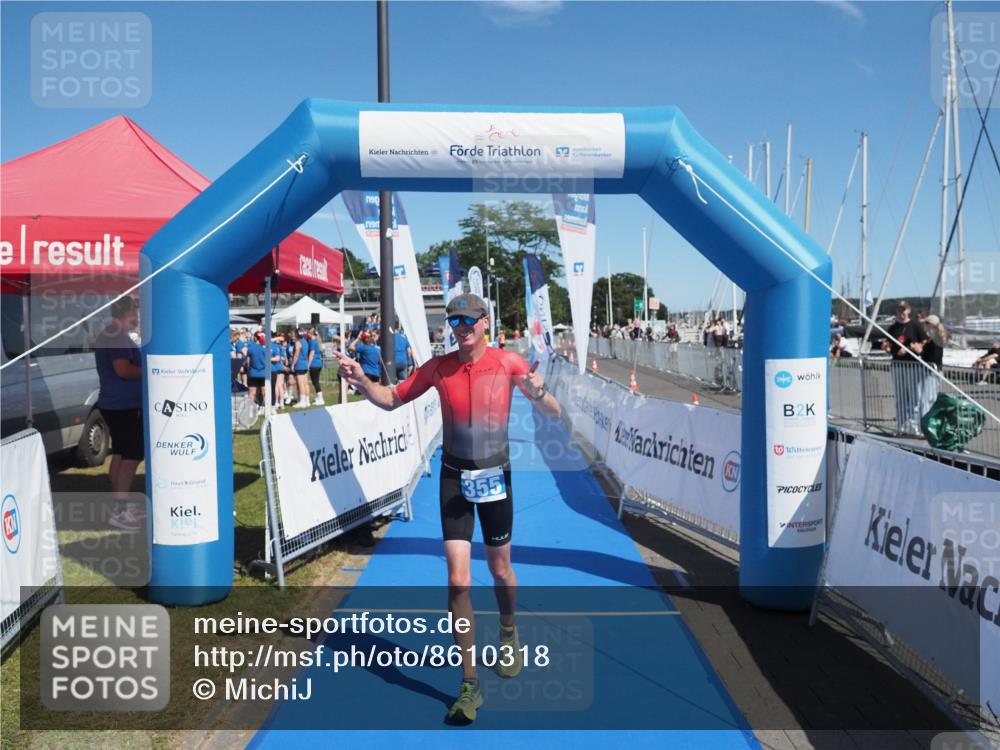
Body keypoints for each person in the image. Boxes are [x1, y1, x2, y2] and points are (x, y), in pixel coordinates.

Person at [336, 293, 560, 725]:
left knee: (499, 570)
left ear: (484, 323)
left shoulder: (509, 362)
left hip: (495, 476)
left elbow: (553, 411)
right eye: (454, 321)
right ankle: (469, 684)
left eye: (468, 321)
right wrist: (362, 380)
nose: (459, 328)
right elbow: (391, 399)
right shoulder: (438, 368)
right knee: (458, 579)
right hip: (454, 476)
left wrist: (541, 393)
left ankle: (509, 629)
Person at [95, 297, 145, 532]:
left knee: (122, 453)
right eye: (137, 309)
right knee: (132, 455)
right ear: (128, 311)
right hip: (122, 405)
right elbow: (123, 369)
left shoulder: (114, 334)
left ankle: (119, 505)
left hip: (117, 403)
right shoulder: (115, 335)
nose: (139, 315)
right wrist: (149, 370)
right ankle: (120, 511)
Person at [882, 300, 927, 434]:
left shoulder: (915, 325)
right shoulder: (893, 327)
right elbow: (888, 344)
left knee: (914, 397)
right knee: (900, 397)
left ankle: (914, 427)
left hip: (912, 365)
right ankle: (901, 426)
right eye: (899, 310)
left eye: (904, 310)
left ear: (908, 310)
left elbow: (924, 341)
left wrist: (911, 349)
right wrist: (887, 348)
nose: (901, 313)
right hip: (897, 364)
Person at [918, 314, 946, 418]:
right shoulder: (936, 337)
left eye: (925, 324)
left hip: (931, 371)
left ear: (929, 325)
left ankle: (926, 421)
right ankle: (930, 419)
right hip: (935, 370)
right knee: (931, 397)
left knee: (927, 398)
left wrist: (920, 351)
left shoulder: (935, 339)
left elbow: (933, 356)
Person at [246, 331, 268, 405]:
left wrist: (248, 369)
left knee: (251, 392)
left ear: (255, 338)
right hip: (263, 373)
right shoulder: (265, 348)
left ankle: (250, 409)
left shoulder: (251, 348)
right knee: (264, 391)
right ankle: (264, 407)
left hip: (253, 373)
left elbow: (248, 362)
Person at [291, 328, 311, 408]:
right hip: (305, 364)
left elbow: (296, 355)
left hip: (299, 365)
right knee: (305, 383)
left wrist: (292, 364)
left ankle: (302, 402)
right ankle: (307, 401)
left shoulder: (298, 342)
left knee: (300, 384)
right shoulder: (305, 341)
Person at [307, 328, 325, 405]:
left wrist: (308, 365)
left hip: (314, 364)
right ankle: (319, 397)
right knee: (316, 381)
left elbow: (311, 354)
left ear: (310, 334)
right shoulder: (317, 342)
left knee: (315, 382)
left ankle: (320, 399)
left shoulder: (313, 342)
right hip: (318, 364)